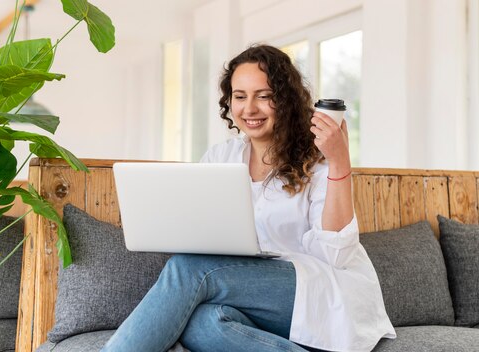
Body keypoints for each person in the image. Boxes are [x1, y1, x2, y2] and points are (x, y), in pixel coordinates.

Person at [102, 44, 395, 352]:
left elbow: (337, 254)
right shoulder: (221, 157)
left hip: (321, 290)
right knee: (203, 322)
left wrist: (339, 162)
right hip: (248, 291)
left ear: (287, 100)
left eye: (264, 96)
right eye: (240, 96)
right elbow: (201, 233)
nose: (249, 108)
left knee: (187, 268)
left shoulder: (318, 159)